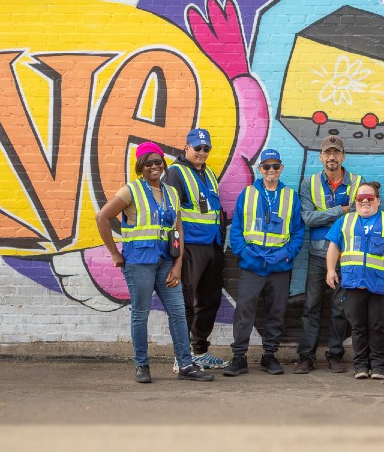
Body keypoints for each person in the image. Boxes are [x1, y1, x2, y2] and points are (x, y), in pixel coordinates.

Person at [95, 141, 215, 384]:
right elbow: (102, 217)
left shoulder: (171, 192)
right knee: (141, 314)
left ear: (163, 164)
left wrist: (178, 264)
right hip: (139, 263)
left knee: (178, 313)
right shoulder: (130, 191)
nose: (154, 166)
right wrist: (114, 254)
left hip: (165, 262)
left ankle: (185, 364)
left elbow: (177, 228)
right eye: (148, 162)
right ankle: (141, 365)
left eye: (158, 161)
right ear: (141, 166)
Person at [224, 148, 305, 376]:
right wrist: (246, 254)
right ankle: (239, 358)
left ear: (281, 168)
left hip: (279, 267)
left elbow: (298, 232)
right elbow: (237, 230)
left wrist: (286, 254)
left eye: (275, 166)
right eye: (267, 166)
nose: (271, 170)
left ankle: (269, 356)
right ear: (260, 169)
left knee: (276, 313)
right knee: (244, 312)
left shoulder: (290, 196)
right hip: (252, 266)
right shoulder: (248, 193)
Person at [326, 181, 384, 380]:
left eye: (369, 198)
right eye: (360, 198)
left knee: (377, 325)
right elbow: (333, 247)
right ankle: (361, 365)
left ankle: (379, 366)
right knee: (358, 326)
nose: (365, 201)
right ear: (355, 202)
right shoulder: (345, 221)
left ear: (378, 201)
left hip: (379, 283)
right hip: (353, 282)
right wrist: (330, 270)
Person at [294, 135, 362, 374]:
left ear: (343, 157)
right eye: (327, 153)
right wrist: (341, 210)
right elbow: (308, 218)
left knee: (339, 309)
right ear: (321, 157)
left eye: (336, 153)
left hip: (347, 256)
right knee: (311, 306)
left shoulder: (357, 182)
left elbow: (359, 216)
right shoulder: (308, 184)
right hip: (317, 255)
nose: (332, 157)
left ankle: (335, 355)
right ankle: (306, 356)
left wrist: (329, 213)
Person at [166, 128, 227, 370]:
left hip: (212, 245)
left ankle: (199, 350)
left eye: (206, 148)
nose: (202, 152)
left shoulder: (209, 173)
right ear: (186, 148)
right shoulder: (175, 173)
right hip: (190, 246)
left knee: (210, 300)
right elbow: (172, 213)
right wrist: (176, 251)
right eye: (198, 148)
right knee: (187, 303)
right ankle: (181, 355)